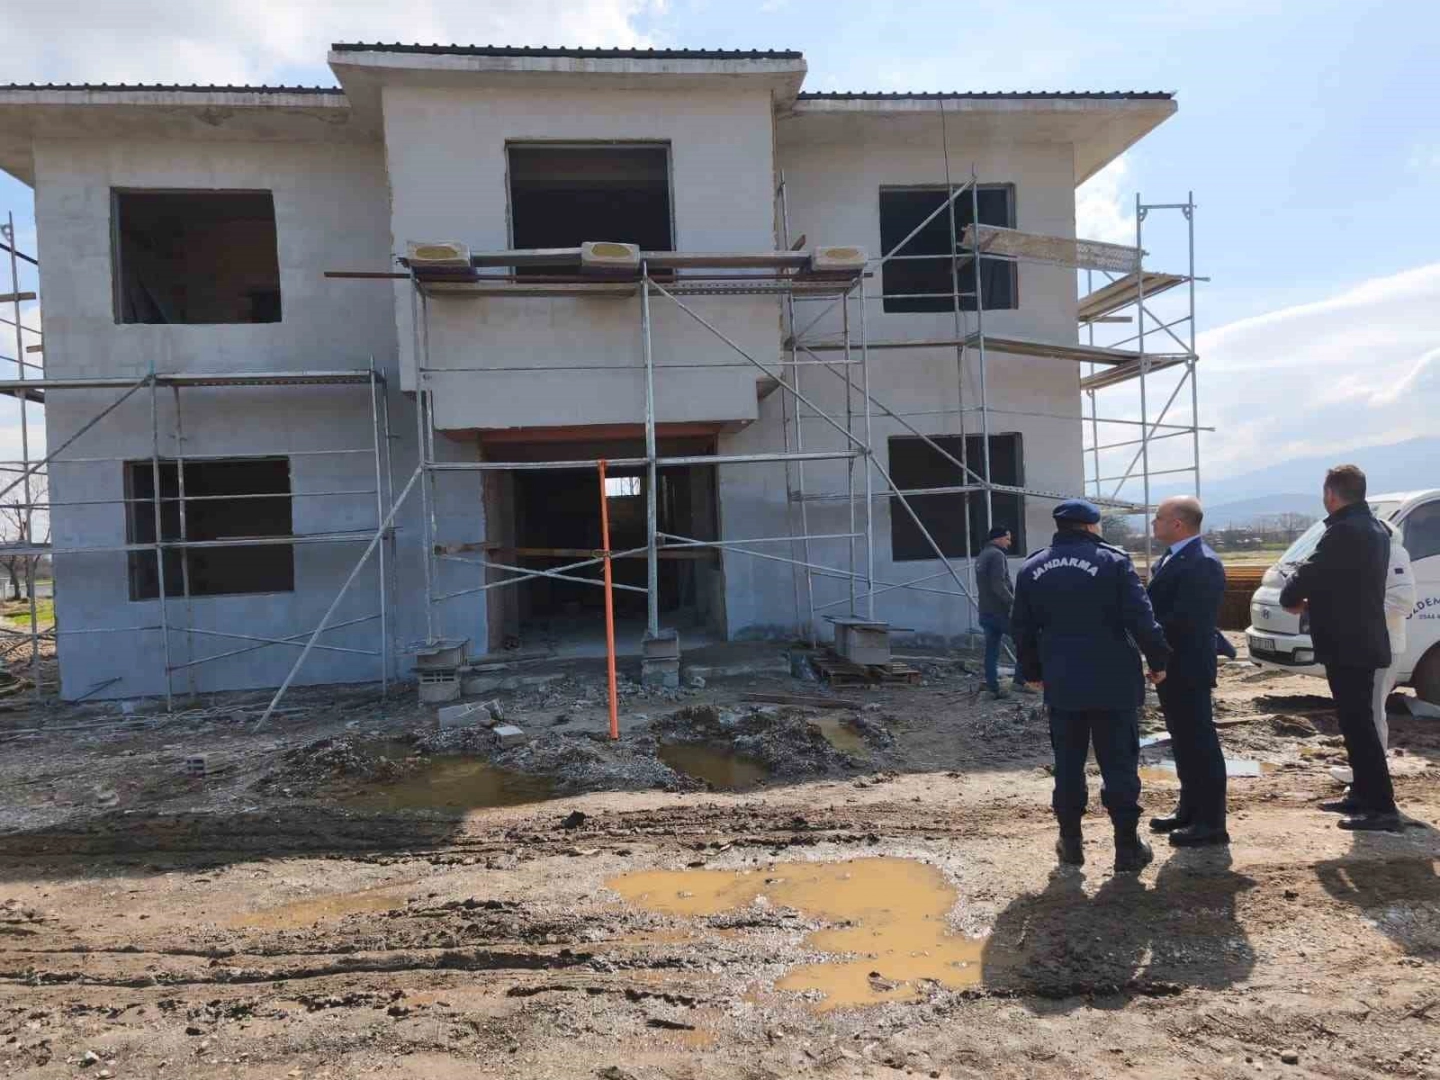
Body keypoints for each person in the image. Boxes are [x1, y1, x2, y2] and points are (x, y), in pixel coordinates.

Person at [1011, 499, 1172, 872]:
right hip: (1113, 681)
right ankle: (1127, 848)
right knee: (1119, 765)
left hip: (1063, 682)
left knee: (1068, 765)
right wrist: (1159, 661)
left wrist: (1032, 671)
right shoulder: (1113, 562)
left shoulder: (1033, 567)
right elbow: (1141, 618)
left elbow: (1021, 627)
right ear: (1090, 526)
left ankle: (1070, 845)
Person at [1279, 465, 1400, 831]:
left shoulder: (1344, 531)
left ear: (1331, 494)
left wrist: (1291, 596)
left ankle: (1382, 808)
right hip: (1360, 640)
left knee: (1359, 726)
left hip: (1349, 643)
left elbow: (1310, 573)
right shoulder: (1376, 529)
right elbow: (1343, 582)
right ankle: (1362, 793)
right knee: (1355, 722)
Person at [1146, 496, 1230, 846]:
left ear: (1177, 523)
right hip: (1172, 664)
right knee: (1182, 741)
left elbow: (1187, 621)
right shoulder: (1173, 557)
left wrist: (1147, 634)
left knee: (1199, 742)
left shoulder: (1202, 562)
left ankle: (1211, 822)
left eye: (1158, 518)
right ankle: (1190, 810)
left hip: (1188, 665)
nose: (1153, 524)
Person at [1330, 517, 1414, 786]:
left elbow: (1402, 601)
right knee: (1367, 711)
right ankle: (1366, 770)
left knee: (1372, 711)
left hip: (1383, 644)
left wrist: (1360, 620)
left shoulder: (1393, 553)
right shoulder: (1376, 553)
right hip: (1369, 643)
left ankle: (1370, 775)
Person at [976, 525, 1019, 698]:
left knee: (991, 651)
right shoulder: (997, 555)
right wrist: (1014, 603)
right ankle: (1021, 681)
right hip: (1000, 612)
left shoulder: (983, 555)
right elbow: (998, 584)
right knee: (1025, 641)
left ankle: (993, 686)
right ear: (999, 538)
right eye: (1007, 539)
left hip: (985, 611)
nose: (1009, 543)